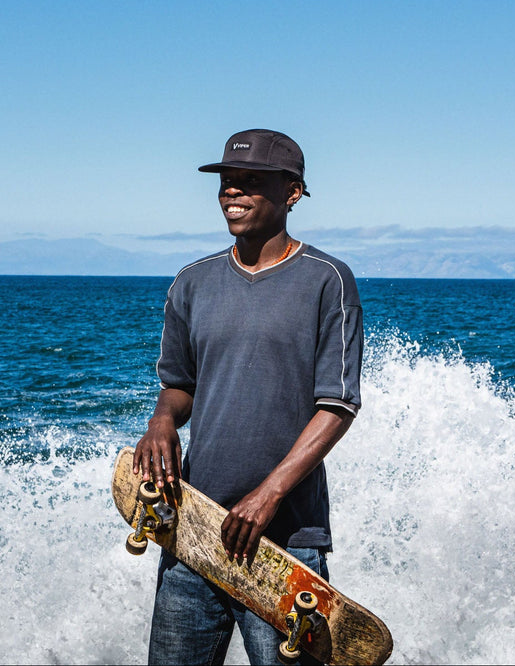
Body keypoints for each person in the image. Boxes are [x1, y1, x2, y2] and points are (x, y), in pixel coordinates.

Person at [133, 129, 364, 665]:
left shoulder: (327, 280)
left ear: (292, 192)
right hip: (192, 530)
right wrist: (162, 420)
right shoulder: (191, 283)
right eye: (227, 183)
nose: (232, 194)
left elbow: (339, 404)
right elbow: (179, 384)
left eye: (250, 182)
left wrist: (268, 495)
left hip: (286, 544)